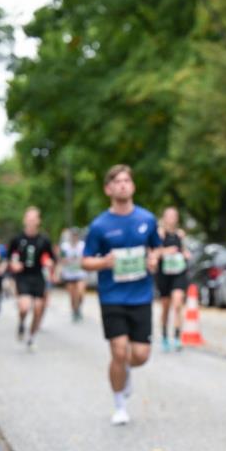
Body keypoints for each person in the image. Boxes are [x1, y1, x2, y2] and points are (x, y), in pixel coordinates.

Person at [82, 164, 162, 426]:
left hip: (140, 296)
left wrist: (153, 259)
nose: (123, 185)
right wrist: (104, 262)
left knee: (140, 355)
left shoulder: (147, 220)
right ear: (108, 189)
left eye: (127, 180)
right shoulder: (99, 226)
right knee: (118, 351)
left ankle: (125, 370)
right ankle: (119, 405)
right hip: (112, 296)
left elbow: (157, 250)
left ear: (133, 186)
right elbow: (85, 262)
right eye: (117, 182)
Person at [8, 207, 56, 350]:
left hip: (38, 276)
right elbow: (9, 257)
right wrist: (13, 264)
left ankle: (32, 336)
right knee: (24, 307)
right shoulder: (17, 239)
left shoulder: (44, 240)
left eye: (34, 219)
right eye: (29, 219)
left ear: (38, 221)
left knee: (38, 308)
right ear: (24, 220)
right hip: (23, 276)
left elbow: (52, 258)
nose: (31, 222)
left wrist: (50, 264)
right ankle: (22, 323)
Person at [156, 207, 191, 351]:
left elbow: (184, 250)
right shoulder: (159, 234)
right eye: (168, 215)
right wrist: (166, 251)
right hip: (164, 274)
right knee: (166, 307)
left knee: (177, 304)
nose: (171, 218)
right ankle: (164, 337)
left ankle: (177, 337)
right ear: (164, 218)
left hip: (178, 272)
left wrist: (186, 254)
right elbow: (153, 253)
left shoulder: (180, 235)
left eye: (174, 215)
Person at [58, 228, 87, 322]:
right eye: (72, 235)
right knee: (72, 295)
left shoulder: (82, 246)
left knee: (80, 293)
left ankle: (78, 308)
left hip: (80, 273)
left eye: (76, 235)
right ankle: (74, 311)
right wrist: (66, 261)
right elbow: (61, 259)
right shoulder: (65, 247)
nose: (74, 237)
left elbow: (86, 257)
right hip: (69, 274)